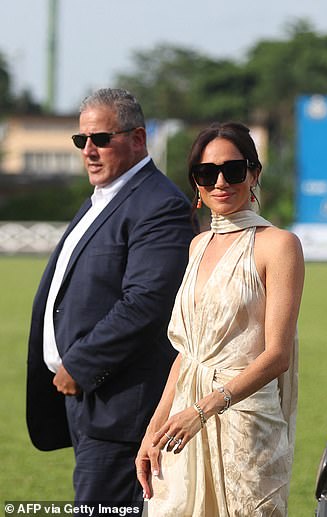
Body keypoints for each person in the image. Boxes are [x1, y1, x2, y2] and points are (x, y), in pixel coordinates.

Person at [26, 88, 194, 510]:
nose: (89, 150)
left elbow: (147, 303)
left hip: (122, 411)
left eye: (101, 138)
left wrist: (80, 366)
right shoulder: (103, 199)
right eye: (81, 140)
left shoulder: (160, 205)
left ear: (138, 138)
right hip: (89, 405)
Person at [135, 122, 304, 516]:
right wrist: (153, 430)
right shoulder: (197, 245)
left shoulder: (279, 245)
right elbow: (188, 353)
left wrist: (204, 409)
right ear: (195, 182)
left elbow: (278, 355)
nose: (220, 182)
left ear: (254, 173)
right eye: (207, 173)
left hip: (245, 426)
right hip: (182, 425)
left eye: (234, 169)